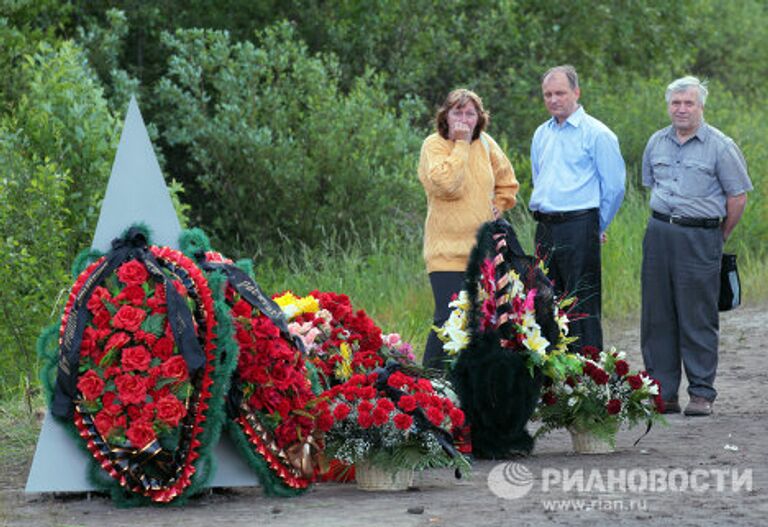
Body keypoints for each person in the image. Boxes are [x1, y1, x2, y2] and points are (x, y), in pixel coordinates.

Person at [640, 76, 752, 416]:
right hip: (659, 233)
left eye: (689, 103)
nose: (682, 109)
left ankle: (701, 393)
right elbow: (651, 185)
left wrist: (718, 236)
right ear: (668, 106)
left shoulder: (720, 146)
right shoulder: (656, 142)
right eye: (676, 103)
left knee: (697, 316)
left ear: (701, 106)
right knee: (657, 316)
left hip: (701, 236)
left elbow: (738, 197)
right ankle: (664, 393)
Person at [418, 88, 519, 369]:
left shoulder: (486, 144)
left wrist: (500, 202)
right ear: (446, 116)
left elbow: (508, 181)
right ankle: (431, 387)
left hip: (483, 251)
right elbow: (447, 185)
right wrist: (461, 144)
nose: (464, 118)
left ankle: (470, 387)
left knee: (483, 321)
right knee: (447, 320)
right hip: (446, 252)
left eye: (470, 113)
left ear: (479, 118)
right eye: (457, 112)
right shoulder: (434, 145)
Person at [529, 65, 626, 352]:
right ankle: (554, 381)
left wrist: (598, 226)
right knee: (545, 302)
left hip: (579, 225)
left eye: (560, 92)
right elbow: (540, 177)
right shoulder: (541, 134)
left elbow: (614, 187)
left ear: (576, 92)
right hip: (545, 227)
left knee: (581, 304)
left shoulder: (597, 134)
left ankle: (586, 377)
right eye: (548, 94)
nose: (554, 99)